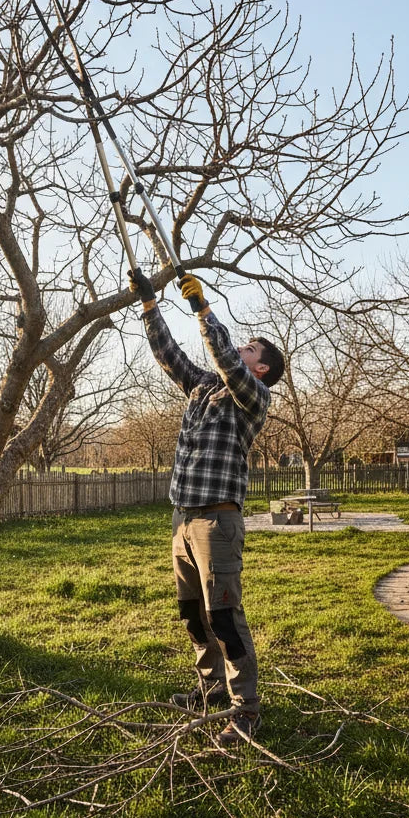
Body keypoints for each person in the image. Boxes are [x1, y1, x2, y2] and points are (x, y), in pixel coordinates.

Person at [129, 268, 285, 745]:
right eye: (246, 344)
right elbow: (168, 356)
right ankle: (212, 690)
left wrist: (203, 310)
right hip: (182, 519)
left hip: (218, 521)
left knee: (223, 617)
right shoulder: (201, 388)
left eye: (251, 349)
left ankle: (246, 710)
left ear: (260, 368)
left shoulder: (253, 397)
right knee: (193, 614)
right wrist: (150, 306)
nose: (243, 348)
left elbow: (224, 358)